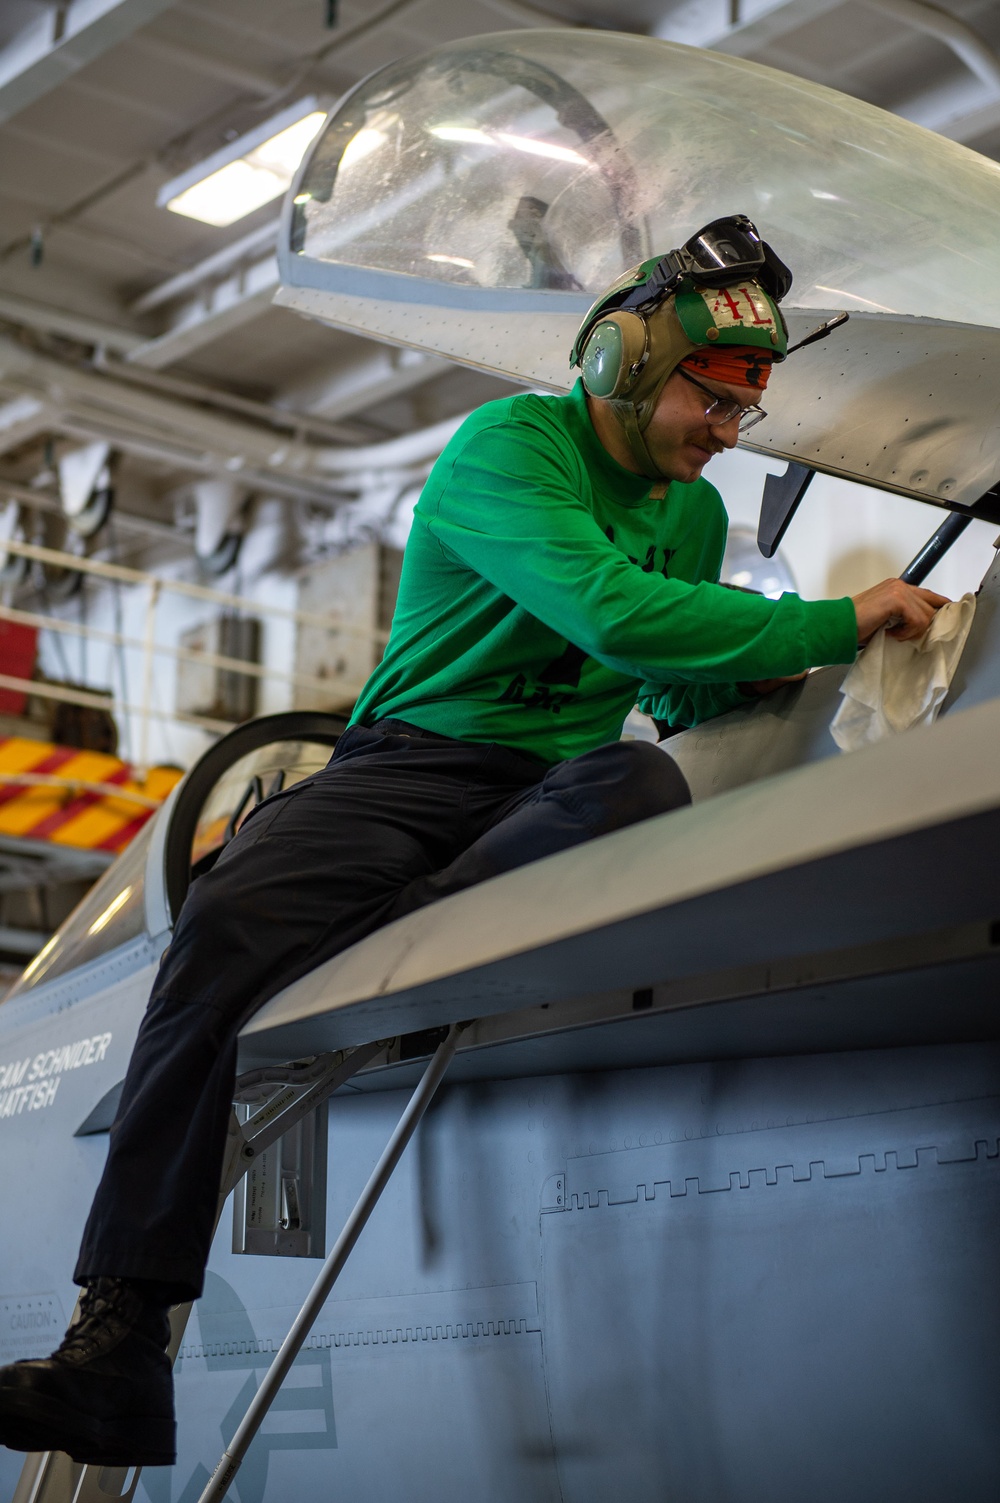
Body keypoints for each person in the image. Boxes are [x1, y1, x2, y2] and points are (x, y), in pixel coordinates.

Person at [0, 217, 947, 1470]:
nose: (725, 433)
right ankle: (117, 1342)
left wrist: (881, 656)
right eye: (711, 399)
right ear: (619, 364)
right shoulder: (509, 448)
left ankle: (402, 939)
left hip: (546, 790)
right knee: (222, 929)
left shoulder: (691, 519)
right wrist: (829, 615)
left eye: (742, 412)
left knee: (637, 783)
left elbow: (680, 682)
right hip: (405, 770)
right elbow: (613, 611)